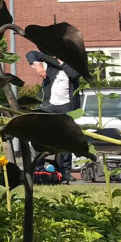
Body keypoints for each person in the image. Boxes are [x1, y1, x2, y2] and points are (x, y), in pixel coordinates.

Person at [26, 49, 81, 181]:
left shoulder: (75, 61)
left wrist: (61, 61)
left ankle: (65, 171)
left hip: (66, 104)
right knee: (40, 134)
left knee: (66, 137)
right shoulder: (51, 57)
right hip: (49, 103)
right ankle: (38, 166)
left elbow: (74, 75)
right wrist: (37, 64)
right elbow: (31, 54)